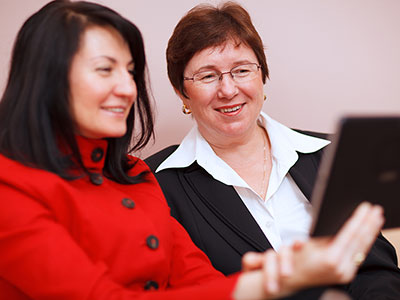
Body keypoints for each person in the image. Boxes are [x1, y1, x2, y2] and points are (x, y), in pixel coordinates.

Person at [0, 1, 386, 299]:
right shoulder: (13, 186)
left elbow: (198, 280)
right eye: (106, 69)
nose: (127, 88)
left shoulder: (133, 175)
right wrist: (274, 281)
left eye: (130, 71)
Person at [145, 2, 400, 299]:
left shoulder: (329, 154)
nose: (228, 90)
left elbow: (377, 270)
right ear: (181, 91)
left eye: (241, 70)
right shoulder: (156, 184)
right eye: (207, 76)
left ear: (262, 75)